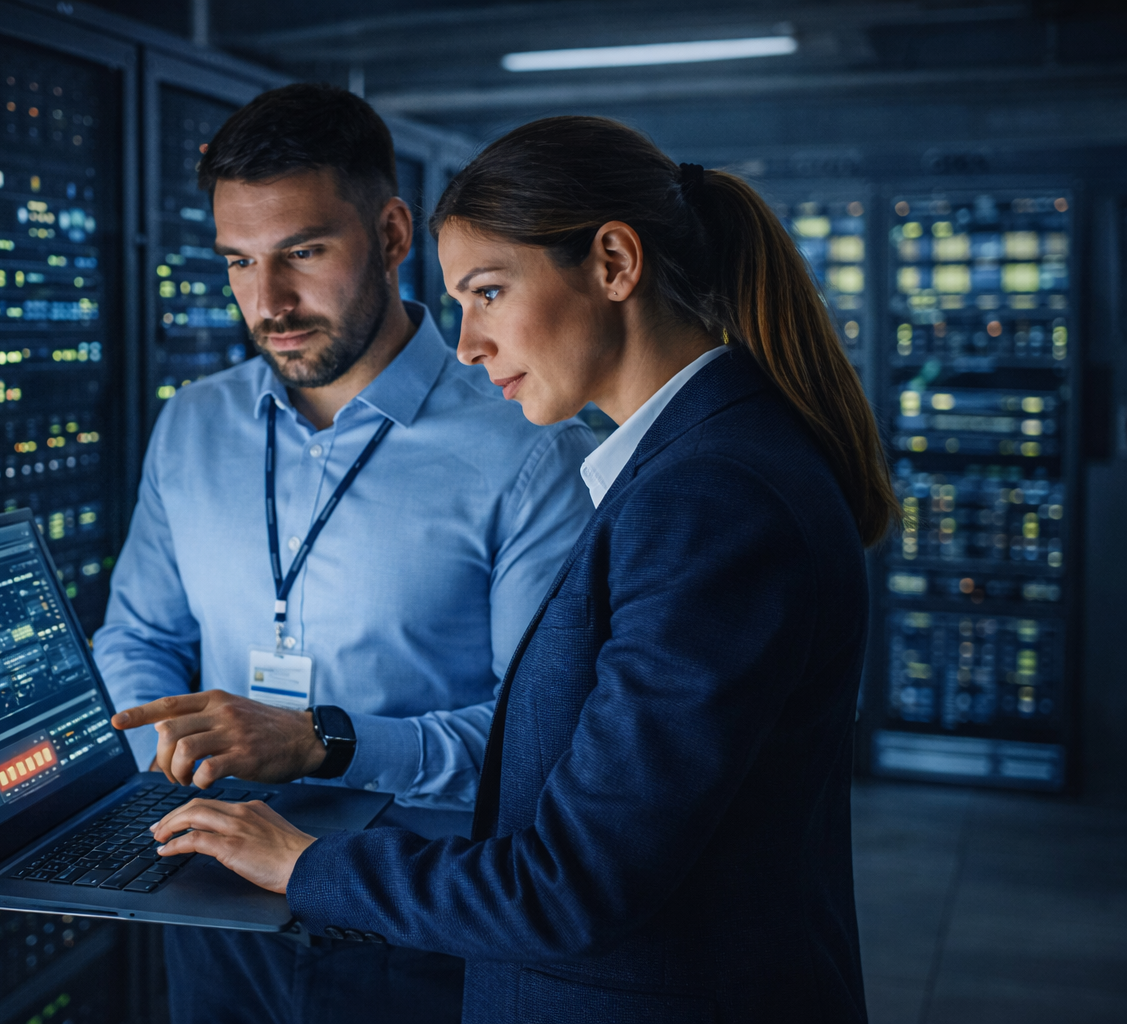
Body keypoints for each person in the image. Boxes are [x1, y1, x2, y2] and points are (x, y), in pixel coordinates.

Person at [143, 114, 899, 1023]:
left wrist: (301, 859)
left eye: (490, 293)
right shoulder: (693, 470)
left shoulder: (707, 501)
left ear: (614, 264)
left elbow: (570, 884)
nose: (468, 344)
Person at [93, 87, 596, 1023]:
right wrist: (173, 766)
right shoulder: (193, 424)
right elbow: (137, 638)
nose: (268, 303)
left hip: (409, 918)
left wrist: (321, 743)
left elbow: (540, 741)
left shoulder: (527, 448)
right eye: (239, 261)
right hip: (210, 902)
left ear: (393, 233)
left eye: (304, 253)